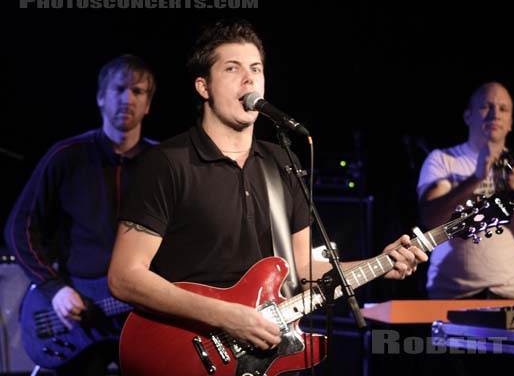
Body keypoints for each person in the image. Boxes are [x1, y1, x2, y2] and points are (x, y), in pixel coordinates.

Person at [107, 18, 428, 364]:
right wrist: (226, 316)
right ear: (203, 87)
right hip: (186, 355)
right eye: (232, 68)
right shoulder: (167, 162)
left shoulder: (282, 162)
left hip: (263, 359)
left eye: (256, 69)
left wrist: (380, 263)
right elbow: (125, 278)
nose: (249, 79)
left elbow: (304, 272)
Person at [4, 54, 156, 375]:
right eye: (118, 89)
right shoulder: (66, 156)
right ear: (101, 97)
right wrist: (53, 288)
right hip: (78, 313)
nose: (127, 98)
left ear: (148, 104)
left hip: (145, 316)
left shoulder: (163, 163)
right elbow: (20, 228)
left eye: (138, 91)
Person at [417, 81, 514, 299]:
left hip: (511, 298)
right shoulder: (443, 160)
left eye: (503, 109)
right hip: (452, 297)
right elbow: (430, 219)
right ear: (468, 116)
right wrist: (476, 178)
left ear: (510, 123)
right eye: (486, 106)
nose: (495, 114)